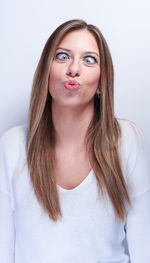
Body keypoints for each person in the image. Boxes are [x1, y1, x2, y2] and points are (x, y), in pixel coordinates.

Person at [0, 19, 150, 263]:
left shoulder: (127, 141)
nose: (73, 69)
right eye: (62, 56)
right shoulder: (13, 146)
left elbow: (145, 247)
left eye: (89, 59)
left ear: (102, 83)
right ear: (46, 72)